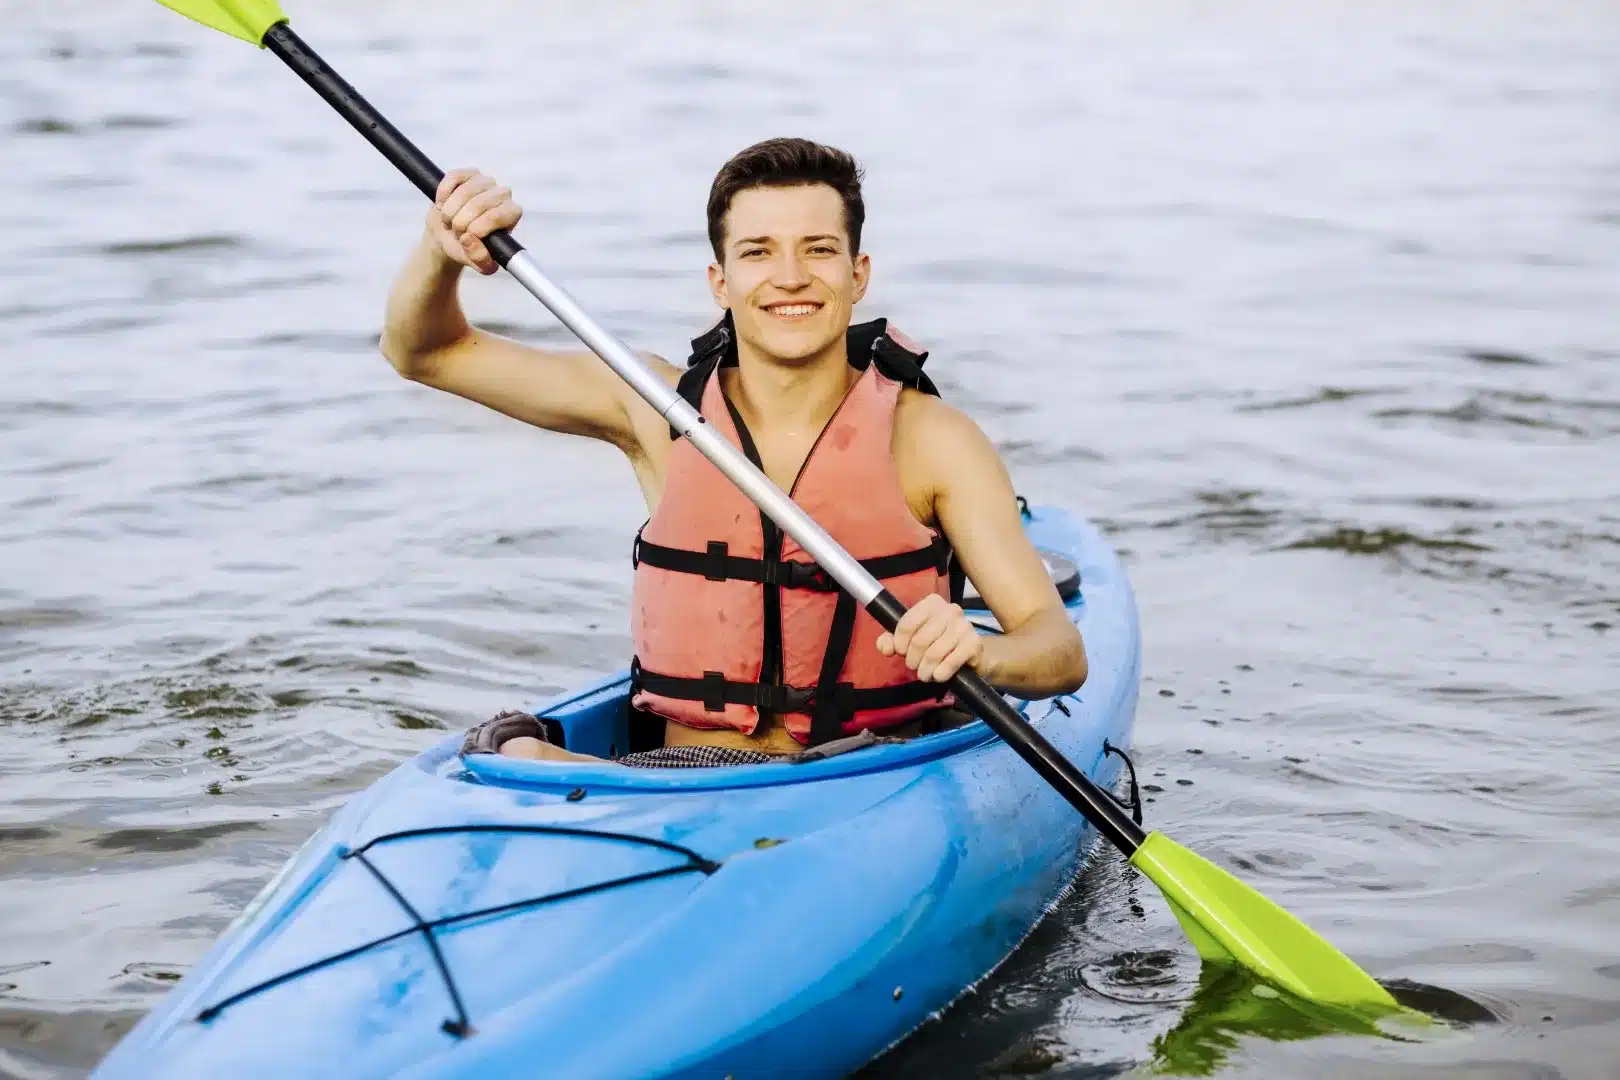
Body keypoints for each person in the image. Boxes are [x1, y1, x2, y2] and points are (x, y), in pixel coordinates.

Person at [378, 138, 1086, 766]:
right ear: (720, 281)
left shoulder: (933, 439)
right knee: (513, 749)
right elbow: (426, 353)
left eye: (818, 249)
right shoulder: (656, 407)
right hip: (686, 777)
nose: (790, 277)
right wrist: (441, 255)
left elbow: (1058, 649)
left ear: (858, 273)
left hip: (868, 770)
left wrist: (980, 649)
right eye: (757, 252)